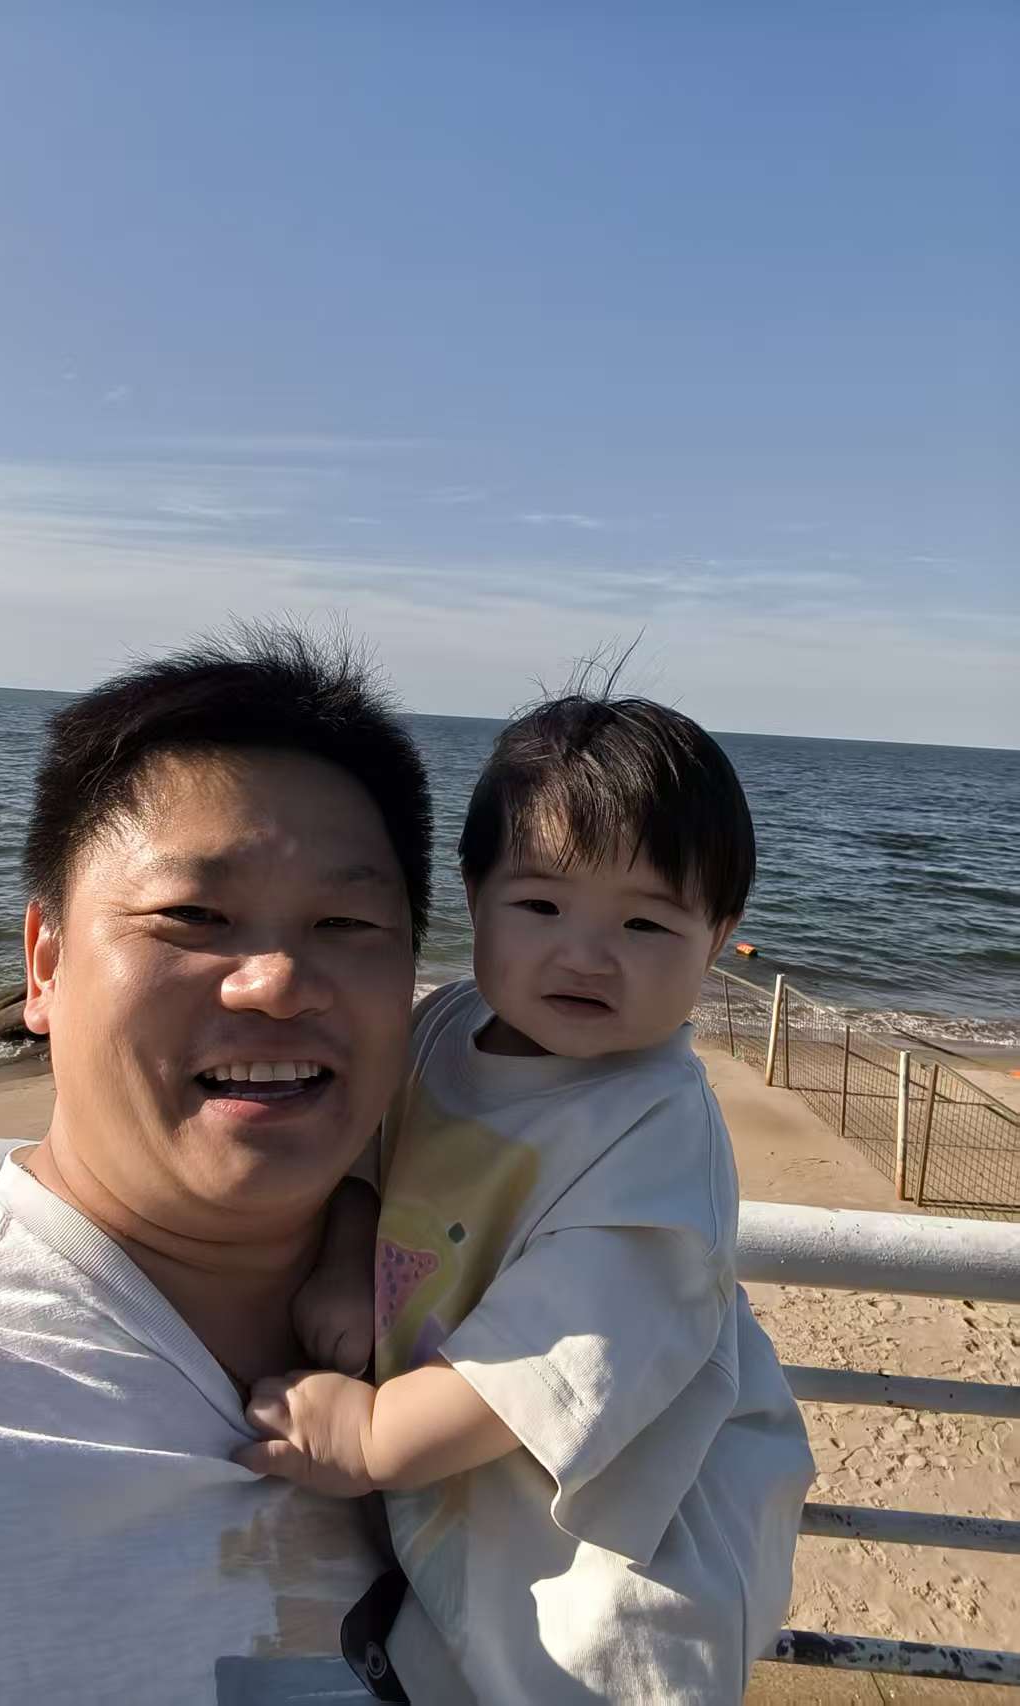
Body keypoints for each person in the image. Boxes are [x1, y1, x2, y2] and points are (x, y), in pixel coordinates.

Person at [0, 627, 436, 1705]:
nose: (276, 981)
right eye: (191, 915)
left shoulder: (518, 1298)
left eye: (345, 921)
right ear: (46, 965)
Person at [242, 690, 817, 1703]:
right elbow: (370, 1149)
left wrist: (369, 1437)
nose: (585, 954)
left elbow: (554, 1352)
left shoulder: (658, 1130)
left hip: (622, 1553)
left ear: (718, 933)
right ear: (474, 895)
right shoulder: (443, 1025)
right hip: (464, 1481)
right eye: (541, 906)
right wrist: (344, 1250)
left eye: (645, 922)